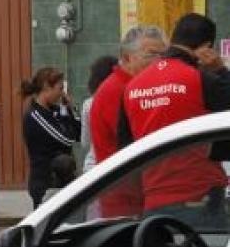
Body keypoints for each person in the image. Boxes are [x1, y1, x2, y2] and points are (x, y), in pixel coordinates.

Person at [120, 13, 230, 227]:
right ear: (207, 46)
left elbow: (125, 148)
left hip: (153, 200)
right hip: (200, 197)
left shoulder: (132, 87)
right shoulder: (201, 79)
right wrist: (221, 71)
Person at [90, 25, 167, 217]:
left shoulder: (138, 87)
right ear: (126, 58)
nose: (159, 62)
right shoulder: (116, 90)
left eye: (163, 56)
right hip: (124, 202)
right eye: (151, 55)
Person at [20, 67, 81, 209]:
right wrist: (66, 116)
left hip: (63, 180)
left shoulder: (56, 111)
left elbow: (79, 134)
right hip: (46, 184)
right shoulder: (35, 116)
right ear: (47, 87)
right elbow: (67, 139)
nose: (62, 94)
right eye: (60, 89)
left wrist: (70, 109)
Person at [80, 55, 118, 175]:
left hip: (94, 165)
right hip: (119, 162)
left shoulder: (88, 104)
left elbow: (85, 141)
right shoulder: (124, 98)